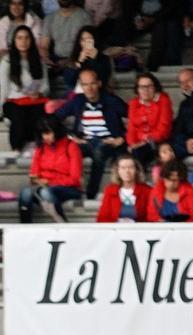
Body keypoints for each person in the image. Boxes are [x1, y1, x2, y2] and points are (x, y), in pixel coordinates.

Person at [54, 67, 127, 199]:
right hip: (85, 141)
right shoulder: (78, 101)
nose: (89, 88)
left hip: (108, 142)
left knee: (99, 152)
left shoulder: (112, 100)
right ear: (81, 86)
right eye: (85, 84)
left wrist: (122, 138)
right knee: (67, 151)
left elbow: (134, 118)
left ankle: (91, 194)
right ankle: (67, 190)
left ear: (99, 83)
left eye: (92, 83)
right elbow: (54, 118)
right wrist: (71, 136)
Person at [19, 116, 82, 223]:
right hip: (43, 186)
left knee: (45, 192)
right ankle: (26, 226)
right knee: (26, 192)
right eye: (43, 134)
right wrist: (35, 179)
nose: (45, 137)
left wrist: (50, 182)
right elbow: (34, 173)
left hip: (68, 188)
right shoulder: (41, 148)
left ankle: (61, 221)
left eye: (48, 133)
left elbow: (75, 179)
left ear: (56, 131)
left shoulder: (71, 146)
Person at [0, 26, 49, 156]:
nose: (23, 41)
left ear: (31, 40)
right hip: (14, 101)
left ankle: (35, 145)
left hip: (34, 100)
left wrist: (39, 93)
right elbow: (3, 88)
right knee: (18, 114)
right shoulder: (6, 61)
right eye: (19, 38)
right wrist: (1, 111)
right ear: (14, 41)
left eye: (27, 38)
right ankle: (17, 148)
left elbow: (45, 86)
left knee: (38, 112)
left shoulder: (39, 60)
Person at [127, 72, 172, 167]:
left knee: (138, 153)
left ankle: (140, 180)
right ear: (137, 89)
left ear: (155, 88)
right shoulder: (134, 103)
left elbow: (163, 129)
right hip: (139, 143)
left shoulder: (163, 100)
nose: (145, 90)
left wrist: (144, 140)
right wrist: (132, 143)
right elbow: (131, 127)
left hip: (158, 141)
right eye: (142, 87)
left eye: (149, 86)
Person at [96, 154, 151, 222]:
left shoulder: (147, 191)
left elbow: (151, 217)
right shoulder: (110, 190)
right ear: (118, 171)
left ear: (137, 170)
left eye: (131, 167)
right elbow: (102, 217)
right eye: (123, 168)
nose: (127, 171)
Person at [62, 25, 112, 91]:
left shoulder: (104, 59)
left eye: (89, 39)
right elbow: (68, 81)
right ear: (79, 42)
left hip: (98, 93)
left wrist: (95, 60)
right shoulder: (74, 58)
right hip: (77, 93)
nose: (86, 43)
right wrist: (79, 62)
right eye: (83, 40)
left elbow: (103, 80)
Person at [41, 0, 87, 70]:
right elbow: (44, 46)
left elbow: (88, 46)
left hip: (76, 59)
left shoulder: (84, 17)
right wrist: (46, 58)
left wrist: (69, 61)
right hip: (55, 59)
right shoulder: (50, 18)